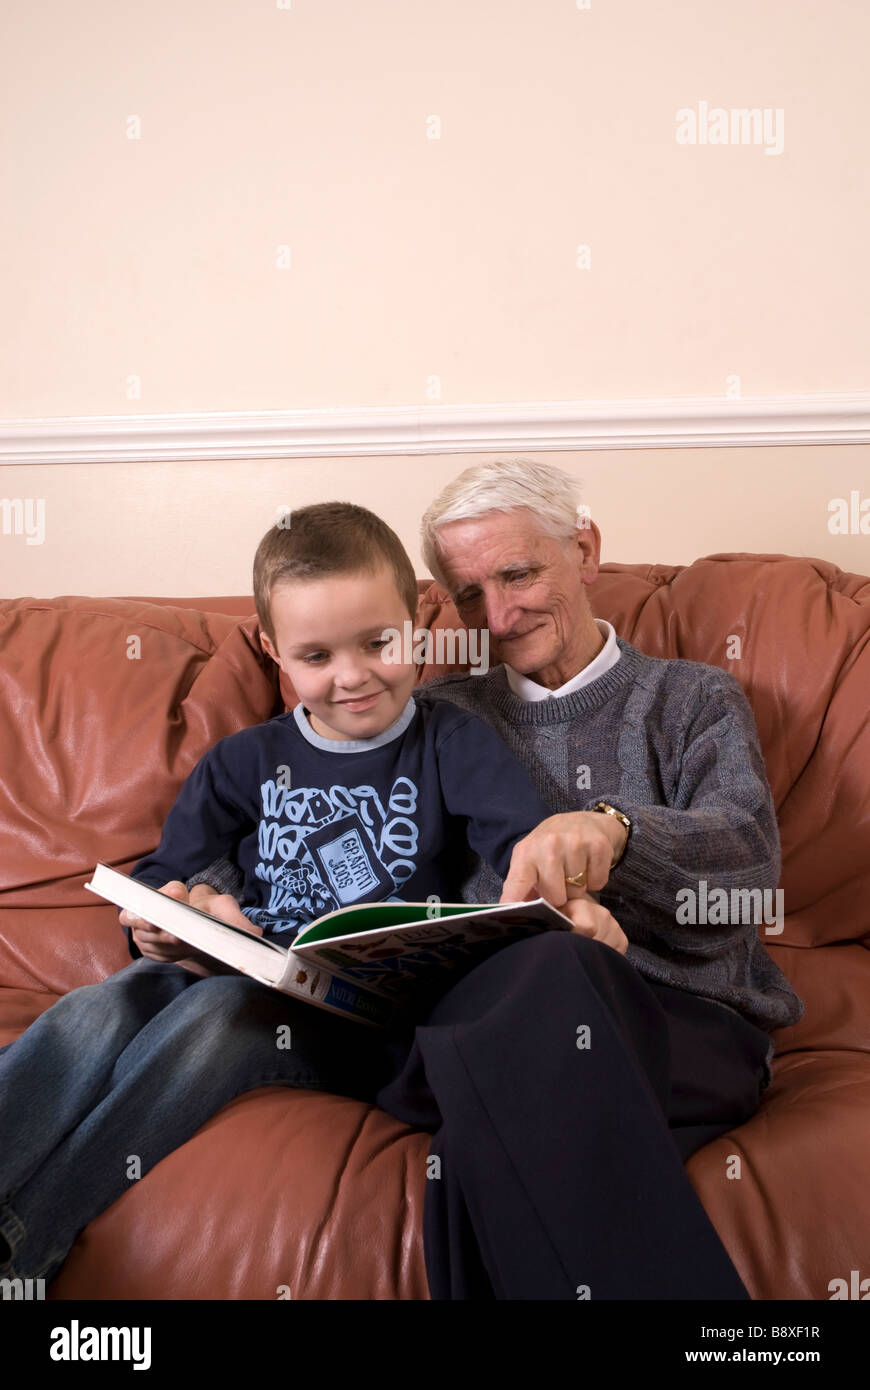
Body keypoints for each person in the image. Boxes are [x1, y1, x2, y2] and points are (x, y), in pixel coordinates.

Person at [192, 457, 805, 1300]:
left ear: (585, 550)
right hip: (486, 1028)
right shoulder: (439, 719)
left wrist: (616, 831)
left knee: (527, 1027)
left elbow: (750, 864)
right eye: (470, 593)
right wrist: (197, 895)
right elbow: (287, 801)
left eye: (518, 573)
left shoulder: (691, 698)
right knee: (507, 1061)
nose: (501, 614)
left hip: (680, 1021)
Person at [0, 500, 605, 1286]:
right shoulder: (242, 761)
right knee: (93, 1007)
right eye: (315, 655)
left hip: (345, 1018)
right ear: (272, 650)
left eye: (378, 643)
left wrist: (558, 900)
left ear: (415, 629)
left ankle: (23, 1242)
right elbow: (163, 877)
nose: (351, 676)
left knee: (216, 1018)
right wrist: (160, 922)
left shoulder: (451, 742)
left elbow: (519, 858)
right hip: (225, 969)